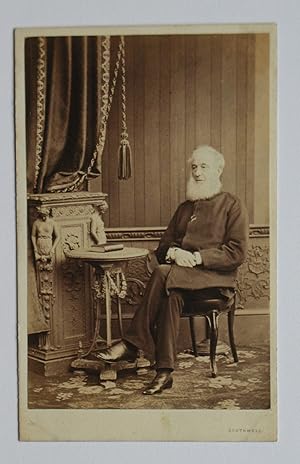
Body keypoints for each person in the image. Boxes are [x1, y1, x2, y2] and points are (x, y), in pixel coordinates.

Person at [95, 145, 249, 395]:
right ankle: (164, 372)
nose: (197, 172)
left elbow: (237, 252)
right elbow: (163, 247)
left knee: (161, 273)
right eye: (194, 167)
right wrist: (174, 253)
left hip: (216, 280)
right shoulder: (185, 208)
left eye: (204, 166)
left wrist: (198, 257)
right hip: (180, 279)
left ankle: (132, 342)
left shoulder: (232, 205)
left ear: (219, 170)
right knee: (171, 294)